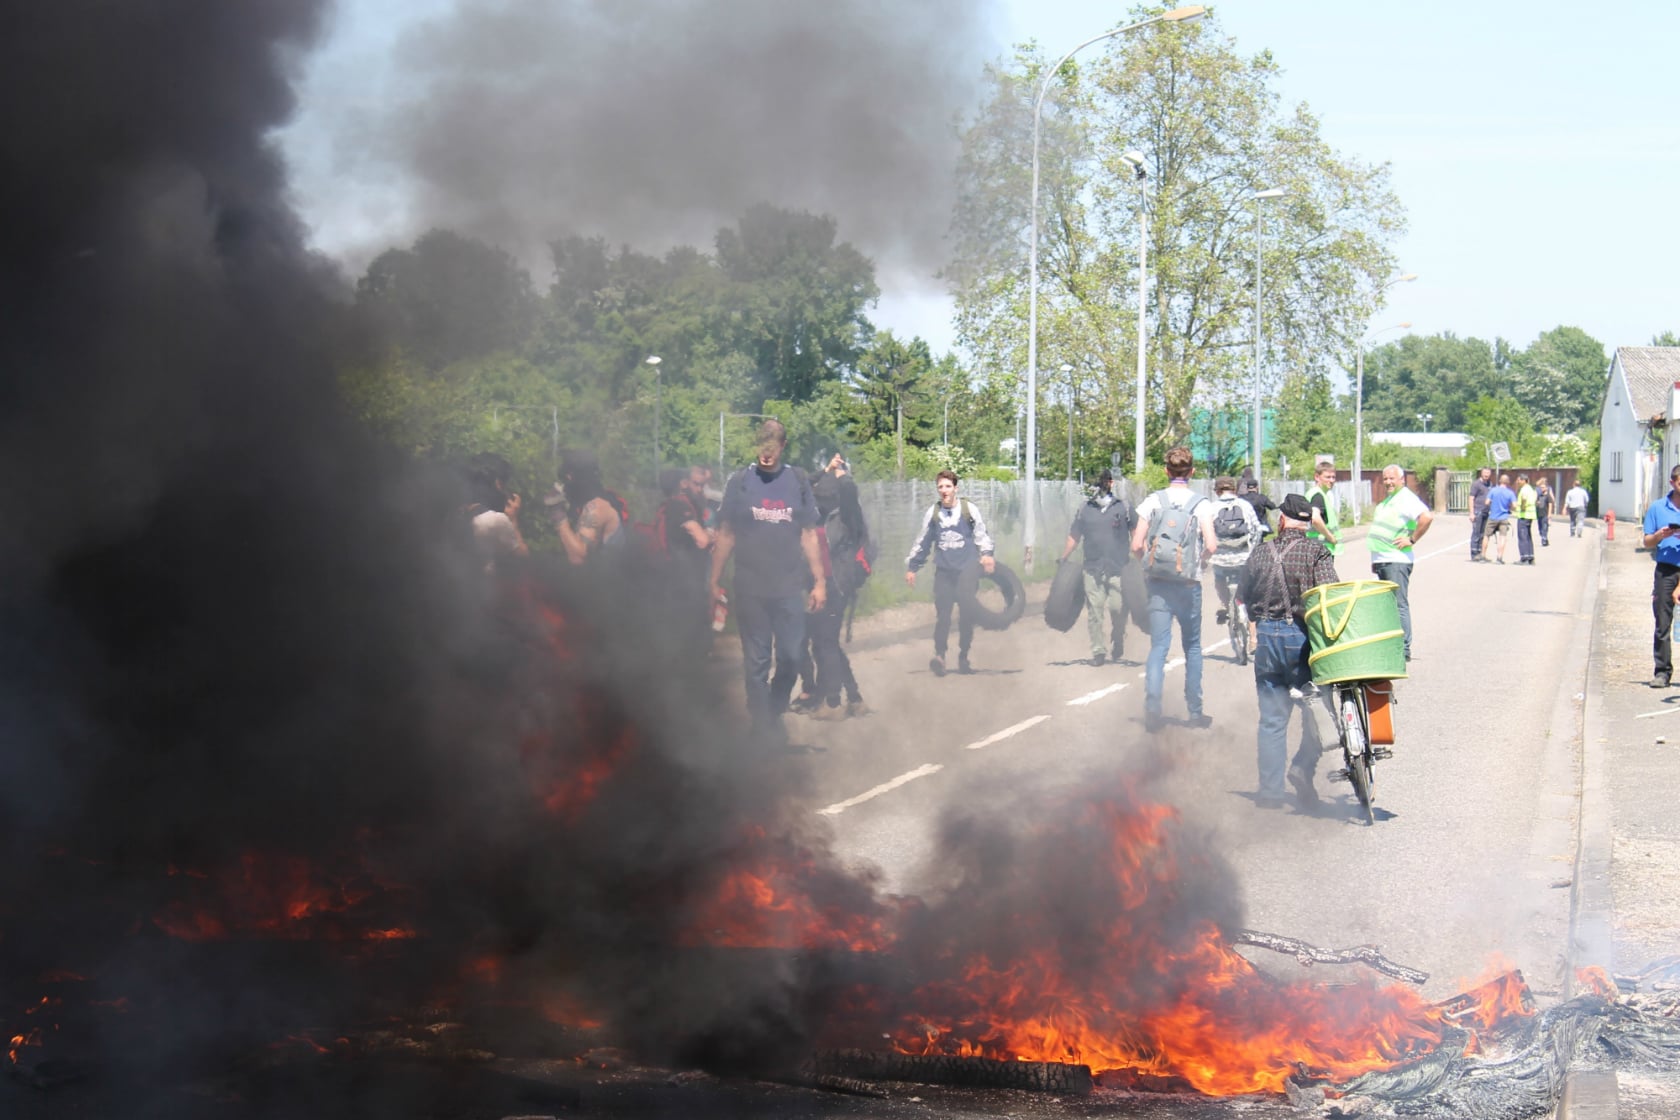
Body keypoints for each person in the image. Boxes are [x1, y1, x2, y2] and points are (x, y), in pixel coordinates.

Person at [710, 419, 827, 747]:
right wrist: (713, 579)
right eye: (762, 443)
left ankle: (773, 711)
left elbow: (809, 534)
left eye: (773, 444)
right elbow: (726, 533)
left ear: (783, 445)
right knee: (756, 661)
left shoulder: (798, 480)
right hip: (750, 587)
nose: (767, 450)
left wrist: (819, 582)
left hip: (789, 587)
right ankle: (761, 725)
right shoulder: (740, 481)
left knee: (791, 656)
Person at [1238, 492, 1339, 809]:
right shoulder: (1317, 552)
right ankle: (1301, 767)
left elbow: (1243, 596)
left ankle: (1269, 793)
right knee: (1318, 713)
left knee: (1272, 720)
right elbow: (1329, 598)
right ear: (1309, 524)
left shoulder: (1260, 552)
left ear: (1282, 520)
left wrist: (1258, 622)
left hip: (1267, 640)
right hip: (1301, 640)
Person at [1130, 446, 1220, 731]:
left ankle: (1153, 710)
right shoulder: (1201, 504)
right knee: (1192, 647)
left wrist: (1147, 563)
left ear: (1166, 471)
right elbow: (1212, 545)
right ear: (1192, 472)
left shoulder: (1153, 501)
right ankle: (1195, 712)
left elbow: (1136, 544)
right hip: (1188, 584)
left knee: (1158, 647)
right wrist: (1200, 564)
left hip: (1158, 584)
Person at [905, 469, 997, 676]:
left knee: (966, 616)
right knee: (943, 616)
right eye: (940, 487)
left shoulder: (968, 510)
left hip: (967, 573)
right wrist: (912, 567)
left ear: (955, 488)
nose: (944, 491)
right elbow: (923, 542)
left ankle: (964, 657)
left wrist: (987, 554)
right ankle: (940, 656)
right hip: (944, 572)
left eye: (948, 486)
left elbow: (982, 534)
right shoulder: (934, 513)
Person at [807, 456, 870, 718]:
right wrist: (825, 469)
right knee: (822, 641)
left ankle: (833, 702)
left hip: (839, 584)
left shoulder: (846, 515)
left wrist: (841, 473)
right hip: (819, 584)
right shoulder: (816, 516)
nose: (819, 493)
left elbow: (849, 491)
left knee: (826, 641)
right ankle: (854, 697)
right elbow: (800, 485)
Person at [1060, 468, 1136, 665]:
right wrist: (1063, 557)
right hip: (1092, 567)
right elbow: (1074, 536)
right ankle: (1098, 651)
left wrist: (1142, 559)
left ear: (1111, 483)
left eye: (1104, 482)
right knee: (1095, 610)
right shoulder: (1085, 509)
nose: (1100, 487)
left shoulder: (1124, 508)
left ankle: (1118, 636)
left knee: (1117, 607)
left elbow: (1136, 536)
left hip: (1118, 567)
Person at [1368, 465, 1434, 663]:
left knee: (1398, 604)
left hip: (1396, 560)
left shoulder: (1406, 498)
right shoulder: (1390, 500)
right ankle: (1391, 644)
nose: (1388, 482)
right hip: (1383, 559)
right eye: (1385, 478)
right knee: (1387, 606)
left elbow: (1427, 517)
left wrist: (1412, 539)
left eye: (1392, 479)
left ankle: (1403, 648)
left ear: (1402, 480)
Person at [656, 465, 714, 639]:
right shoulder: (680, 505)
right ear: (684, 483)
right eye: (696, 485)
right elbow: (702, 540)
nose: (700, 489)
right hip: (684, 583)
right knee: (689, 632)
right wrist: (712, 536)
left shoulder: (676, 505)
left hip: (681, 580)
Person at [1206, 475, 1263, 632]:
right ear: (1235, 490)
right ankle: (1251, 631)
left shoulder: (1211, 508)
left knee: (1218, 579)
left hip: (1220, 558)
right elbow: (1256, 529)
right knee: (1248, 587)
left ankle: (1224, 604)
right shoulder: (1245, 506)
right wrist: (1252, 550)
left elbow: (1204, 533)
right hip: (1243, 557)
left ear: (1217, 491)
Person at [1641, 464, 1680, 688]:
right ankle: (1662, 672)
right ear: (1673, 483)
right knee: (1662, 622)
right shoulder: (1658, 508)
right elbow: (1646, 542)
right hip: (1666, 569)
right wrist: (1659, 535)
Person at [553, 450, 625, 566]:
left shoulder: (595, 508)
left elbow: (578, 558)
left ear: (571, 477)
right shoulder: (593, 502)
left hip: (606, 581)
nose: (565, 486)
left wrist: (557, 512)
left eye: (566, 480)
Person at [464, 452, 529, 576]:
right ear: (497, 483)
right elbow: (523, 557)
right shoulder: (495, 521)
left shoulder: (457, 511)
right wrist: (513, 519)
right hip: (482, 592)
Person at [1304, 460, 1342, 557]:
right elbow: (1315, 519)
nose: (1332, 480)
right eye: (1327, 477)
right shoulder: (1317, 495)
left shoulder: (1318, 494)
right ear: (1317, 477)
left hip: (1318, 548)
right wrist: (1331, 538)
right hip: (1321, 548)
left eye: (1333, 477)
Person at [1482, 473, 1515, 564]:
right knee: (1502, 537)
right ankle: (1499, 558)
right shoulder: (1510, 493)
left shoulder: (1493, 491)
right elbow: (1514, 506)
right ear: (1508, 482)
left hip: (1493, 516)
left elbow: (1486, 502)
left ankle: (1483, 556)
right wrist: (1508, 507)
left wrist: (1493, 504)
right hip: (1504, 517)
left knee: (1486, 536)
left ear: (1500, 481)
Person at [1239, 468, 1277, 539]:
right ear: (1257, 487)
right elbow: (1272, 507)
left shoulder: (1241, 499)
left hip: (1246, 526)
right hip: (1261, 525)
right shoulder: (1262, 498)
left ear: (1247, 488)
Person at [1468, 467, 1494, 562]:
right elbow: (1471, 498)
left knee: (1483, 534)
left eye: (1488, 473)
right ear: (1481, 473)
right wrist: (1471, 513)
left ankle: (1481, 554)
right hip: (1478, 511)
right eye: (1485, 473)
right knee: (1476, 533)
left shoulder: (1490, 484)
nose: (1486, 475)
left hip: (1486, 512)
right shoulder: (1476, 484)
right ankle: (1474, 554)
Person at [1514, 473, 1538, 565]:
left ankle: (1524, 558)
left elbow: (1523, 499)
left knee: (1522, 537)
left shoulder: (1524, 489)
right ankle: (1531, 557)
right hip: (1530, 515)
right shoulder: (1531, 489)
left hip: (1524, 515)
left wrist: (1522, 508)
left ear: (1524, 480)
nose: (1518, 482)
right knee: (1528, 536)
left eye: (1519, 480)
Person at [1535, 477, 1554, 547]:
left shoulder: (1548, 496)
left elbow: (1550, 504)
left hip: (1545, 514)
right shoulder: (1539, 496)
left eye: (1543, 487)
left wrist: (1549, 514)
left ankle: (1544, 539)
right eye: (1541, 487)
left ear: (1546, 488)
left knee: (1545, 527)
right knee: (1540, 528)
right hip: (1539, 514)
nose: (1541, 489)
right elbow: (1536, 503)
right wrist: (1537, 503)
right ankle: (1544, 538)